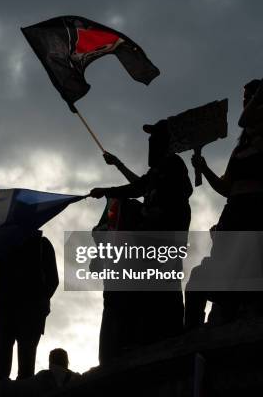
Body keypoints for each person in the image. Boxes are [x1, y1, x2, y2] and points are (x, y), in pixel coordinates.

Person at [89, 120, 192, 365]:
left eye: (153, 140)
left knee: (164, 296)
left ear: (165, 143)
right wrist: (110, 188)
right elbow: (138, 187)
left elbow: (143, 189)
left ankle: (168, 338)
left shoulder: (172, 166)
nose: (149, 145)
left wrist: (114, 191)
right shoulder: (158, 172)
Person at [186, 78, 263, 328]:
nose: (247, 102)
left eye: (253, 97)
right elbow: (226, 187)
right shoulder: (241, 147)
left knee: (249, 271)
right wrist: (204, 168)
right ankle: (193, 331)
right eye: (245, 98)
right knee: (213, 270)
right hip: (234, 211)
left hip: (257, 210)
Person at [0, 230, 58, 381]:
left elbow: (53, 281)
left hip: (24, 313)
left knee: (21, 370)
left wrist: (38, 302)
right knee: (6, 368)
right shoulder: (4, 243)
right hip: (11, 312)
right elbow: (53, 281)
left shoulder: (41, 244)